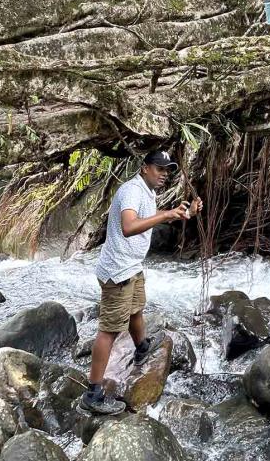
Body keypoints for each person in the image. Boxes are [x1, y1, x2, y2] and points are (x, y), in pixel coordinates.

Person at [78, 150, 202, 416]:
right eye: (160, 169)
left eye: (167, 170)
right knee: (109, 330)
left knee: (137, 309)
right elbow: (129, 226)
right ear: (145, 168)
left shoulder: (146, 192)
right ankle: (93, 393)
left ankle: (142, 347)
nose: (164, 175)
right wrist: (166, 215)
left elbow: (148, 215)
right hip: (117, 271)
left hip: (131, 267)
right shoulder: (132, 190)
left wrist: (186, 213)